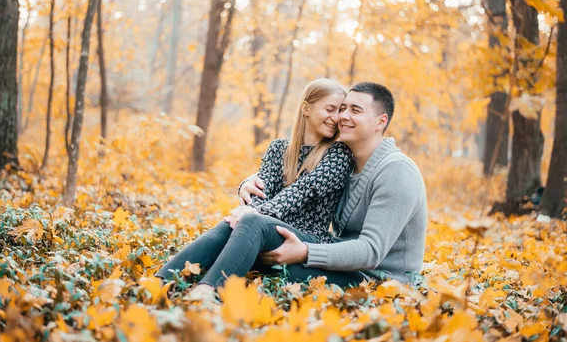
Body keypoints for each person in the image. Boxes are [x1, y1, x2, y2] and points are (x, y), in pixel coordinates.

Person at [154, 79, 354, 300]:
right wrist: (250, 209)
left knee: (251, 220)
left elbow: (302, 191)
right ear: (306, 108)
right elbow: (262, 189)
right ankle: (160, 281)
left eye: (340, 111)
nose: (336, 118)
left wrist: (256, 213)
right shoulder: (278, 148)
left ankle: (208, 290)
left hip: (307, 238)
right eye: (330, 109)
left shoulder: (338, 154)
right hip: (267, 229)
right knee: (235, 222)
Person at [239, 82, 428, 285]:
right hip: (346, 266)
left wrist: (305, 252)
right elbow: (301, 178)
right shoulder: (347, 163)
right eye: (343, 108)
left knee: (264, 257)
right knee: (257, 247)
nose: (342, 116)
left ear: (380, 122)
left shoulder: (396, 172)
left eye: (355, 110)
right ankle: (203, 276)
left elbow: (371, 251)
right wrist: (248, 182)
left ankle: (206, 282)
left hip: (382, 283)